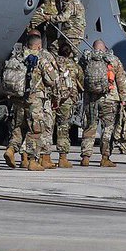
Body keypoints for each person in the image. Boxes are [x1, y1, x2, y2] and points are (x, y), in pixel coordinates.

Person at [5, 30, 58, 171]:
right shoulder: (41, 58)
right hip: (34, 100)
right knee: (35, 130)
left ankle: (11, 149)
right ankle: (32, 161)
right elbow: (52, 80)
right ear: (39, 46)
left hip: (17, 99)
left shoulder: (17, 57)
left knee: (18, 128)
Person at [80, 39, 126, 167]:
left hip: (91, 99)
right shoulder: (113, 60)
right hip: (110, 99)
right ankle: (105, 158)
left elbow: (80, 78)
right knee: (108, 129)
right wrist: (124, 99)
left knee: (90, 127)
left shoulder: (86, 59)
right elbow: (121, 80)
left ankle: (86, 157)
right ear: (105, 48)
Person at [51, 36, 83, 168]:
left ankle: (44, 156)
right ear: (70, 53)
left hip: (52, 98)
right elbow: (81, 80)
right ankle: (62, 157)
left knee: (47, 127)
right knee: (63, 127)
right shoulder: (74, 66)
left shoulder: (53, 62)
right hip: (67, 99)